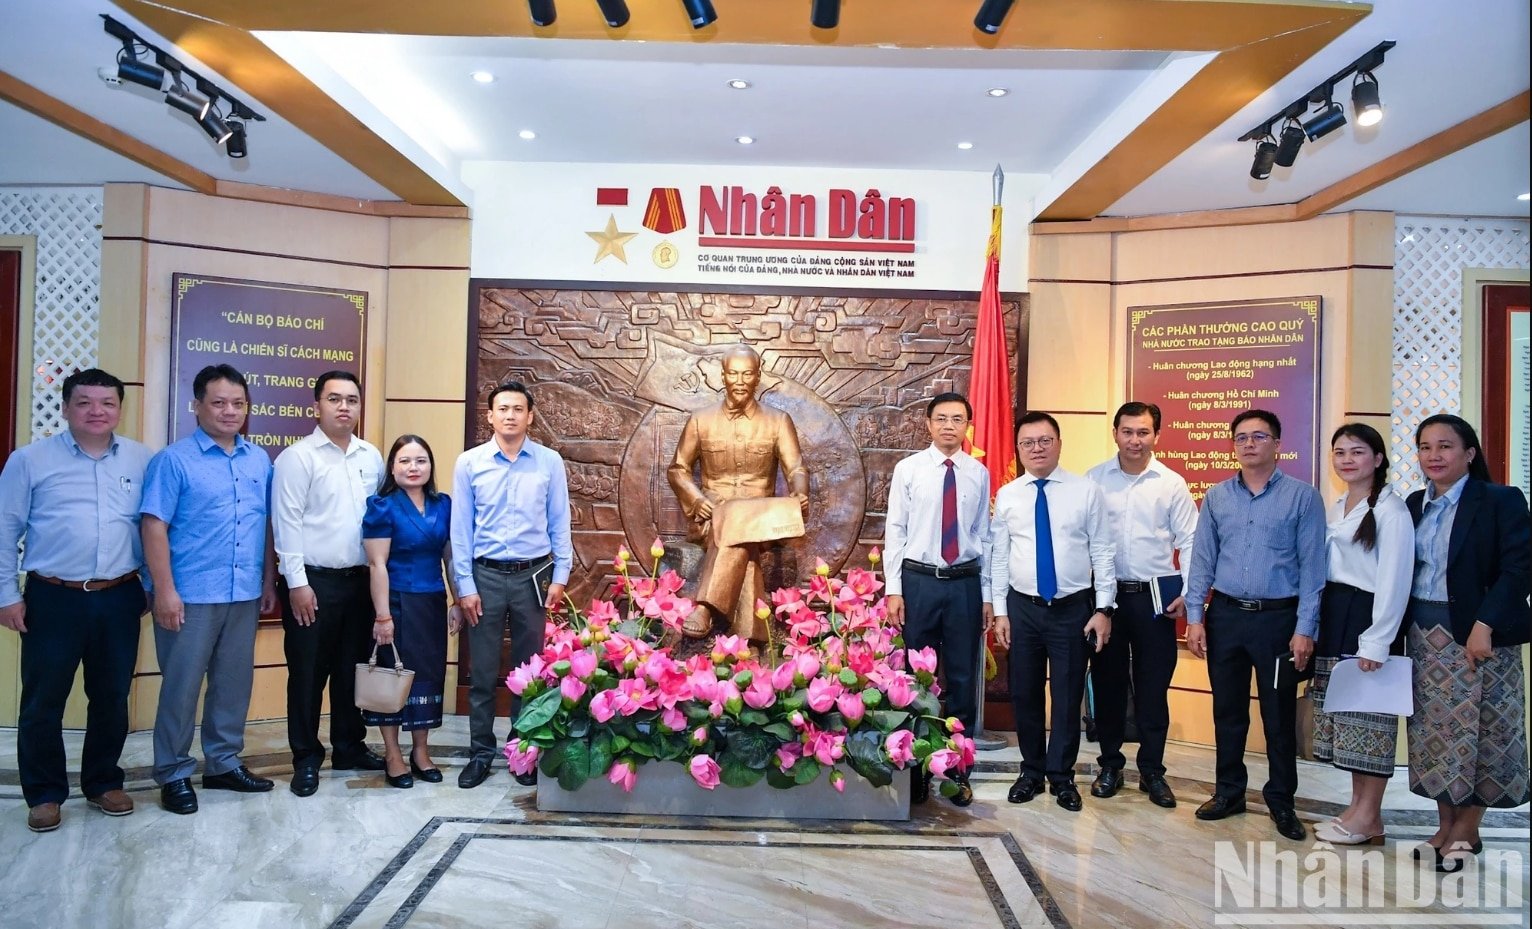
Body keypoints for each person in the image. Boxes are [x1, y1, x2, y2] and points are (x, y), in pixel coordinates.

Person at [0, 369, 152, 833]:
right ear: (65, 408)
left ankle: (104, 782)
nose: (96, 411)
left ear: (119, 409)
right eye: (84, 402)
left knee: (110, 696)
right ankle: (44, 794)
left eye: (107, 403)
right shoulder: (29, 460)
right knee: (44, 699)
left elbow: (152, 527)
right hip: (54, 596)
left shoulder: (142, 460)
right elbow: (6, 531)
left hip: (119, 596)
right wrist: (7, 595)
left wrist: (146, 585)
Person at [140, 364, 278, 814]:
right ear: (196, 405)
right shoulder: (173, 461)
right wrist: (164, 591)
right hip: (189, 595)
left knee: (233, 684)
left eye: (238, 403)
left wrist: (267, 580)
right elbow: (154, 527)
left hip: (242, 593)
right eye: (218, 402)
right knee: (181, 687)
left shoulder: (259, 460)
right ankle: (174, 772)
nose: (229, 411)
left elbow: (266, 526)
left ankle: (222, 763)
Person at [1184, 409, 1325, 842]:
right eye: (1241, 437)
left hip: (1279, 622)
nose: (1249, 444)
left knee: (1278, 716)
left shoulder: (1303, 497)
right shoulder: (1218, 496)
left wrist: (1306, 628)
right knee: (1228, 712)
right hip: (1225, 617)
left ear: (1278, 444)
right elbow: (1202, 559)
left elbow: (1313, 569)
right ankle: (1229, 792)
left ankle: (1281, 800)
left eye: (1259, 436)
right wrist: (1195, 617)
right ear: (1233, 445)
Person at [1405, 413, 1530, 872]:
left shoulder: (1499, 500)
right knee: (1434, 735)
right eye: (1425, 447)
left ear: (1469, 453)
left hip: (1480, 637)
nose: (1434, 456)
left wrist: (1485, 624)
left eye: (1445, 446)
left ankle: (1467, 829)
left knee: (1483, 732)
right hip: (1423, 636)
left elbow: (1518, 569)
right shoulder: (1415, 503)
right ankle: (1443, 825)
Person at [990, 411, 1114, 813]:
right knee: (1024, 693)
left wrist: (1103, 608)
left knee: (1066, 695)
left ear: (1059, 443)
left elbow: (1102, 550)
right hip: (1022, 609)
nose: (1037, 448)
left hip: (1072, 610)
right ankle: (1030, 771)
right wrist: (1001, 611)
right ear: (1019, 449)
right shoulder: (1009, 495)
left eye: (1044, 440)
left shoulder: (1085, 491)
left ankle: (1061, 777)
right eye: (1028, 442)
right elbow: (1000, 558)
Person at [451, 380, 573, 789]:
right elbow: (460, 530)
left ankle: (523, 752)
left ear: (530, 416)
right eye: (502, 408)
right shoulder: (469, 463)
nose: (509, 415)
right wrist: (464, 585)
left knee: (529, 672)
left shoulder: (548, 462)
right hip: (484, 576)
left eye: (517, 409)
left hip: (533, 576)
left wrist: (560, 575)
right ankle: (481, 753)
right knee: (483, 672)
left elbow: (560, 522)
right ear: (489, 415)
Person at [272, 370, 386, 797]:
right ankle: (305, 757)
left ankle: (349, 746)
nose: (344, 407)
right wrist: (297, 584)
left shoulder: (370, 457)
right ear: (316, 405)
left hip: (358, 583)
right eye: (335, 399)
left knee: (349, 671)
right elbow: (286, 526)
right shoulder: (297, 458)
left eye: (352, 400)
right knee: (307, 674)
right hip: (312, 585)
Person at [1084, 401, 1197, 809]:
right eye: (1127, 431)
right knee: (1110, 686)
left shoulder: (1171, 483)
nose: (1135, 439)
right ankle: (1110, 764)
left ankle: (1152, 771)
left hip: (1155, 603)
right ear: (1114, 433)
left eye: (1143, 432)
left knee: (1153, 690)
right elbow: (1084, 541)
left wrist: (1187, 591)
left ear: (1156, 436)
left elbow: (1191, 542)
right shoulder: (1093, 480)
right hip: (1108, 601)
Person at [882, 392, 992, 808]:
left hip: (964, 582)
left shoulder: (978, 473)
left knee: (962, 680)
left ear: (967, 426)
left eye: (958, 419)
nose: (949, 426)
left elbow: (984, 536)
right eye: (941, 418)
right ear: (927, 424)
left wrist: (986, 595)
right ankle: (914, 775)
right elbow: (896, 529)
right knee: (914, 681)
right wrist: (894, 588)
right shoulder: (908, 469)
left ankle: (958, 774)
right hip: (920, 582)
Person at [1308, 424, 1413, 845]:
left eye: (1357, 451)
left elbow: (1394, 580)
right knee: (1347, 718)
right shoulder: (1338, 504)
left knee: (1370, 720)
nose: (1347, 459)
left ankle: (1369, 814)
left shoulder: (1392, 511)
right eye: (1339, 452)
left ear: (1378, 459)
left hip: (1367, 620)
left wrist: (1377, 640)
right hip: (1336, 615)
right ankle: (1358, 810)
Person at [667, 344, 810, 644]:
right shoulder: (700, 420)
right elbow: (677, 469)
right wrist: (696, 499)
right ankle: (753, 639)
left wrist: (799, 492)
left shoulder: (778, 421)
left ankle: (706, 607)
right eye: (733, 373)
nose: (740, 380)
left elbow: (796, 467)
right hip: (713, 517)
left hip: (763, 521)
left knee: (739, 519)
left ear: (758, 377)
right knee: (735, 530)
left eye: (747, 373)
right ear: (723, 376)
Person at [365, 435, 461, 788]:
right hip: (395, 603)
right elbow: (377, 564)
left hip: (432, 602)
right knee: (392, 677)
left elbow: (450, 557)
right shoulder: (382, 506)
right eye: (405, 461)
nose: (413, 467)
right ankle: (393, 754)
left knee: (427, 677)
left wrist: (457, 600)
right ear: (392, 467)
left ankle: (421, 751)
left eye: (421, 460)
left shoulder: (443, 504)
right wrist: (382, 617)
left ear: (431, 466)